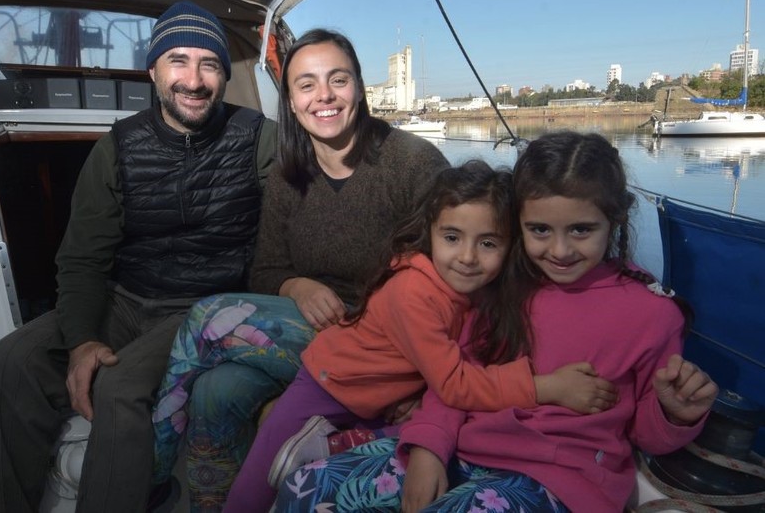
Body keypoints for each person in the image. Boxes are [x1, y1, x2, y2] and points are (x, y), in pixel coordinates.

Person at [272, 130, 719, 513]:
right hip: (467, 449)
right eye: (540, 230)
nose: (560, 251)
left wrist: (675, 414)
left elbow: (645, 434)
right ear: (519, 225)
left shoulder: (652, 314)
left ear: (614, 219)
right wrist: (427, 447)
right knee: (305, 489)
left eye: (581, 230)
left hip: (562, 477)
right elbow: (457, 383)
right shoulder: (506, 286)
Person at [0, 0, 278, 513]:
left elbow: (298, 218)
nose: (194, 80)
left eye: (209, 64)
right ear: (153, 70)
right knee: (8, 363)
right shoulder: (118, 146)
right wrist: (83, 338)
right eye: (178, 60)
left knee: (120, 388)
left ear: (224, 74)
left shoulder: (258, 138)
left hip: (203, 308)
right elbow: (82, 259)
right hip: (126, 299)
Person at [150, 28, 451, 511]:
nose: (324, 96)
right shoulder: (292, 175)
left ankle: (154, 475)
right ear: (290, 102)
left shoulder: (412, 165)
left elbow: (455, 288)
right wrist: (297, 284)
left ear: (359, 88)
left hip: (389, 341)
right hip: (311, 330)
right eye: (306, 85)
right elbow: (266, 269)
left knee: (206, 318)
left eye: (338, 79)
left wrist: (425, 383)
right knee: (214, 390)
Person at [223, 159, 619, 512]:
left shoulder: (484, 292)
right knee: (257, 481)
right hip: (331, 383)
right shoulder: (414, 292)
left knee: (410, 432)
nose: (467, 257)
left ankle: (337, 443)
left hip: (386, 394)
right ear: (429, 233)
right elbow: (454, 382)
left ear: (510, 245)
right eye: (452, 238)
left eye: (487, 243)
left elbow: (447, 370)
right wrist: (547, 388)